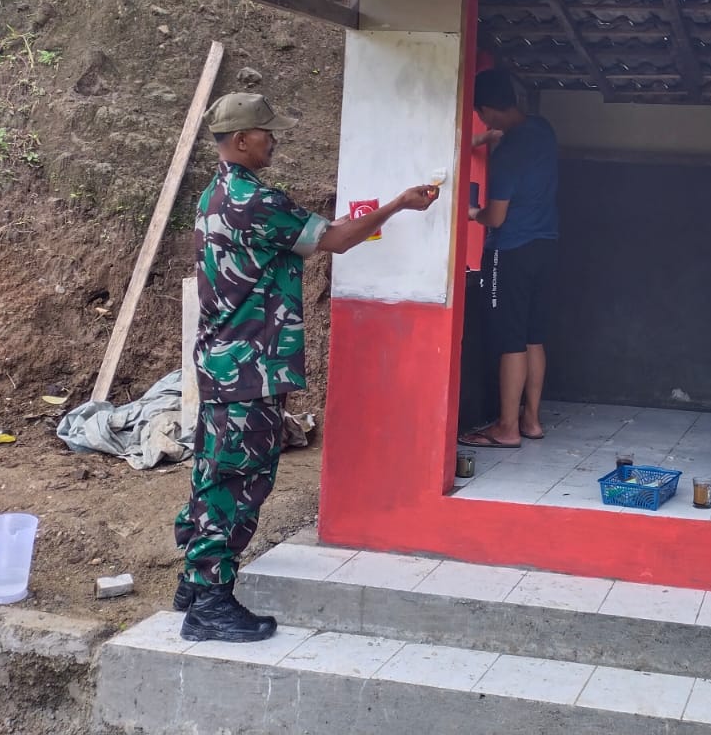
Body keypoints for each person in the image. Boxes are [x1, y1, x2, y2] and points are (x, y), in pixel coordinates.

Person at [175, 92, 440, 642]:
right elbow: (336, 241)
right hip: (248, 369)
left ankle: (193, 585)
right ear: (242, 140)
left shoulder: (215, 195)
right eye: (266, 133)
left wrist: (372, 212)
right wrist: (396, 205)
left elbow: (317, 233)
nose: (274, 140)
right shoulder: (253, 199)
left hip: (227, 364)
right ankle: (209, 605)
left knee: (213, 474)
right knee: (238, 482)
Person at [460, 68, 560, 449]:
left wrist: (471, 213)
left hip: (511, 251)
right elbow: (502, 133)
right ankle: (531, 420)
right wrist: (481, 138)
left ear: (487, 109)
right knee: (534, 337)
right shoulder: (542, 129)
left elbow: (496, 217)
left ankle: (506, 426)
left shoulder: (508, 154)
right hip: (546, 246)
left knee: (510, 340)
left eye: (482, 115)